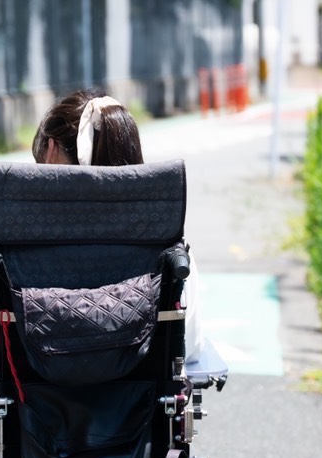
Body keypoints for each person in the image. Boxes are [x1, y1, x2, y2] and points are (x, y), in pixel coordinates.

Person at [31, 89, 204, 362]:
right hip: (144, 399)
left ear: (51, 152)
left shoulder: (24, 241)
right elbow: (190, 346)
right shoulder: (166, 239)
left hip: (39, 396)